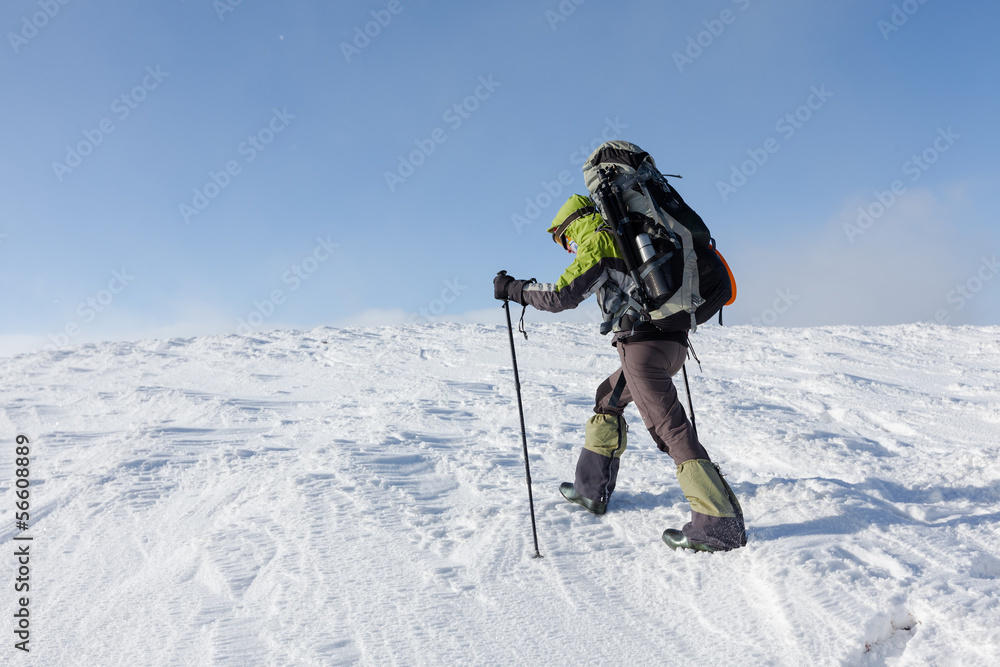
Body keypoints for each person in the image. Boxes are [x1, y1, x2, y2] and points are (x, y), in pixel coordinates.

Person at [494, 194, 746, 552]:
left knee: (671, 431)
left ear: (573, 224)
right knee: (607, 397)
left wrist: (513, 289)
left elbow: (562, 296)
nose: (568, 248)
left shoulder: (599, 240)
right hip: (670, 346)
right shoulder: (634, 237)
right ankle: (589, 491)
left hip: (642, 350)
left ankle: (718, 524)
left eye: (565, 239)